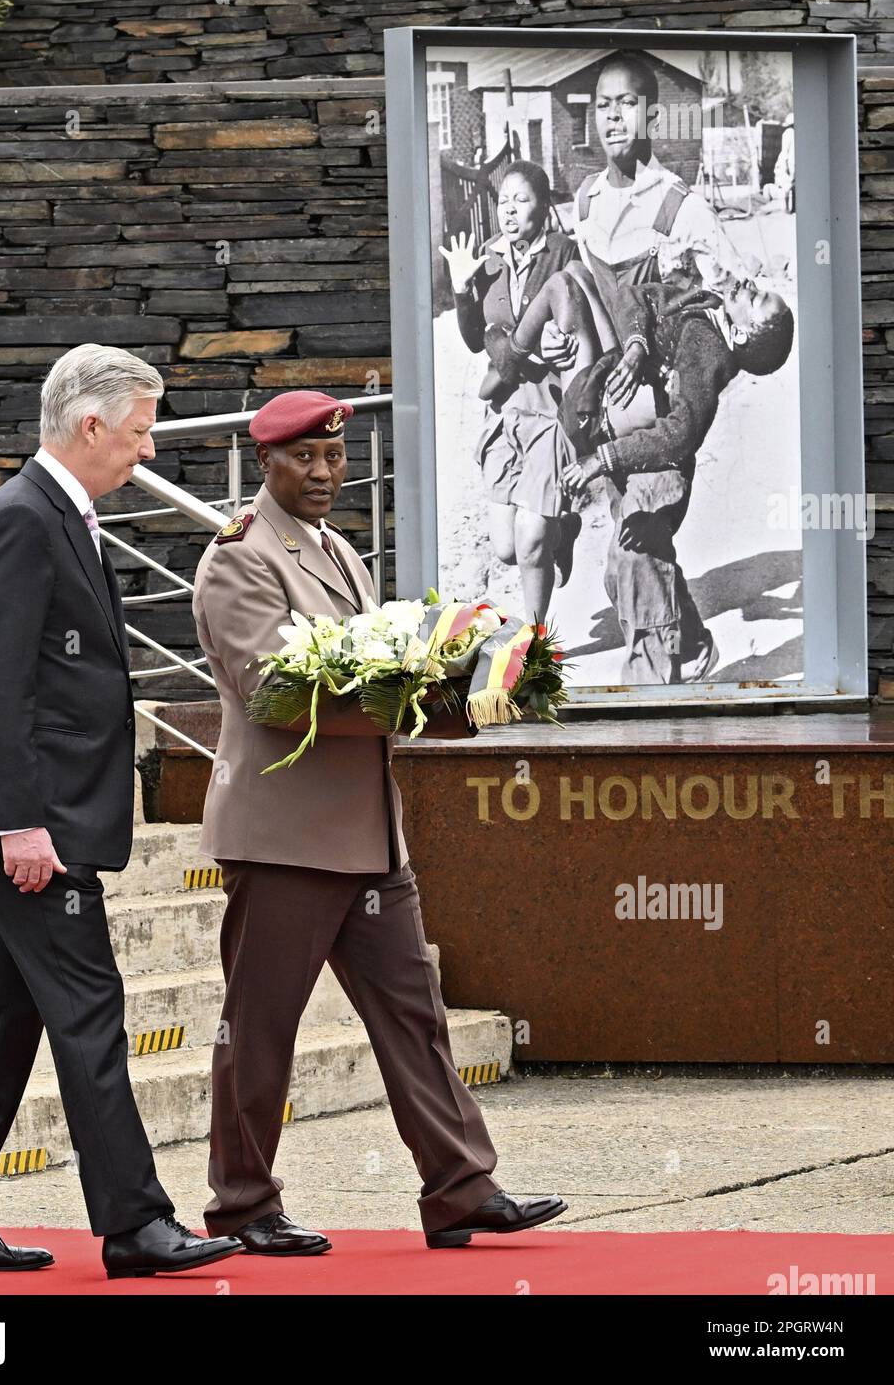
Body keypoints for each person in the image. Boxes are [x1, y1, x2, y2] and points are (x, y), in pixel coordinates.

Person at [191, 389, 569, 1252]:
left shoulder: (340, 553)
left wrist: (470, 692)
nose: (325, 473)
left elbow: (381, 671)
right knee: (259, 1029)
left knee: (415, 1015)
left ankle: (461, 1188)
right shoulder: (239, 559)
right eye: (304, 459)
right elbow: (275, 694)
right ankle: (243, 1207)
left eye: (334, 458)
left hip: (367, 835)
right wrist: (425, 709)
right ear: (267, 464)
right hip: (285, 838)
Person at [0, 344, 244, 1280]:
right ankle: (135, 1223)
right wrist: (20, 825)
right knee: (90, 1012)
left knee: (0, 1024)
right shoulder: (22, 519)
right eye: (138, 435)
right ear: (90, 426)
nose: (148, 455)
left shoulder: (58, 513)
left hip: (38, 816)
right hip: (26, 824)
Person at [570, 50, 761, 683]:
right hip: (606, 409)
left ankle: (649, 696)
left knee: (633, 553)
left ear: (651, 113)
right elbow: (587, 301)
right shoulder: (586, 201)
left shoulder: (684, 208)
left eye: (626, 103)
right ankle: (691, 644)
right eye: (603, 105)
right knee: (627, 558)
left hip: (663, 418)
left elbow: (731, 314)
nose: (613, 116)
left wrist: (684, 369)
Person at [439, 161, 582, 622]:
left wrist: (564, 339)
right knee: (505, 548)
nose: (510, 210)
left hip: (549, 405)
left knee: (530, 537)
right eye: (504, 201)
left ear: (543, 205)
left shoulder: (565, 252)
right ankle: (564, 530)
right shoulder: (489, 256)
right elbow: (473, 335)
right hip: (503, 405)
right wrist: (463, 289)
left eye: (522, 200)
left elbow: (580, 323)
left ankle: (536, 638)